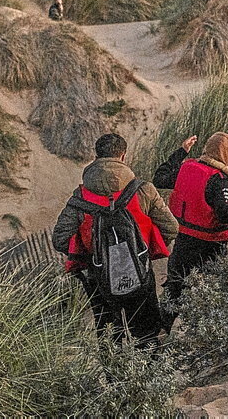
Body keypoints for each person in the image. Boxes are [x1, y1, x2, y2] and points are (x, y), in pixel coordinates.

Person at [52, 132, 177, 342]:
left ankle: (115, 373)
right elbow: (171, 228)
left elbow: (60, 239)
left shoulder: (80, 198)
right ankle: (148, 370)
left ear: (97, 157)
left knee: (109, 337)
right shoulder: (143, 190)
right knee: (146, 333)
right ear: (123, 156)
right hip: (140, 272)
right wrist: (143, 248)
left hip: (99, 277)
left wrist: (93, 254)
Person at [152, 132, 228, 324]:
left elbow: (159, 179)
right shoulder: (220, 181)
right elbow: (225, 214)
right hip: (210, 248)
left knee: (173, 293)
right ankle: (203, 337)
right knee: (211, 294)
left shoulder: (186, 168)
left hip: (183, 242)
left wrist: (181, 152)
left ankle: (158, 336)